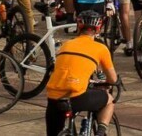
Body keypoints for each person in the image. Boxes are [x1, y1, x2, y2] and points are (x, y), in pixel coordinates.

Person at [44, 8, 118, 136]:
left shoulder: (66, 44)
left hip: (53, 96)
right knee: (109, 100)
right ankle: (100, 132)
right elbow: (112, 79)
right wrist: (109, 83)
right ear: (98, 28)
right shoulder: (101, 48)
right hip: (76, 96)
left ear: (79, 26)